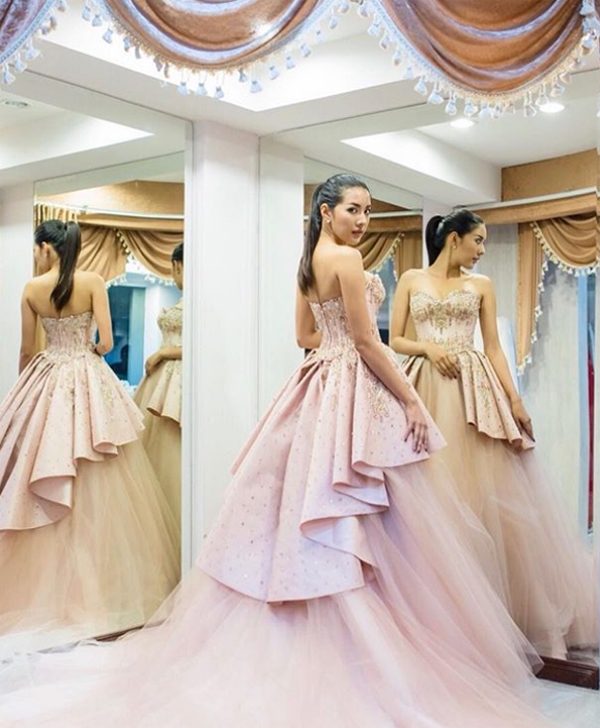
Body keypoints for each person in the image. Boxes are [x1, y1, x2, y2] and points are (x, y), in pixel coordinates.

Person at [0, 184, 553, 727]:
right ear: (326, 211)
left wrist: (334, 349)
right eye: (353, 210)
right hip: (353, 380)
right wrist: (408, 399)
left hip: (318, 381)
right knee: (365, 508)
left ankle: (321, 627)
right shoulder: (348, 261)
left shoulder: (309, 262)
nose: (362, 220)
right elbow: (367, 341)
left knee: (313, 502)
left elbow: (304, 335)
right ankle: (364, 644)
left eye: (367, 211)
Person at [390, 209, 597, 658]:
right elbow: (396, 341)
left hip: (472, 393)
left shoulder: (481, 285)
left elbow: (494, 349)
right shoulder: (410, 279)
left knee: (482, 498)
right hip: (425, 387)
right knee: (431, 494)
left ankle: (494, 619)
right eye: (478, 240)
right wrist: (429, 348)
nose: (482, 249)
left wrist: (515, 401)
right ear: (454, 239)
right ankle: (440, 617)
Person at [0, 220, 180, 656]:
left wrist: (28, 390)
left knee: (37, 468)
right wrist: (87, 352)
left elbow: (26, 350)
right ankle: (104, 594)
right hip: (85, 373)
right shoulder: (93, 281)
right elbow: (107, 341)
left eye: (37, 248)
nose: (36, 254)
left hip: (47, 376)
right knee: (101, 478)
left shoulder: (31, 288)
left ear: (46, 247)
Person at [134, 242, 183, 533]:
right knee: (152, 453)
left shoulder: (200, 302)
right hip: (160, 381)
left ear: (178, 266)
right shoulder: (188, 299)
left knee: (170, 453)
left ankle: (175, 526)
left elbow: (201, 345)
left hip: (175, 379)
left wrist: (164, 352)